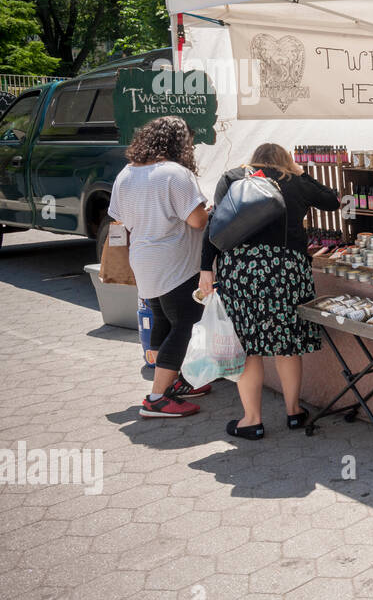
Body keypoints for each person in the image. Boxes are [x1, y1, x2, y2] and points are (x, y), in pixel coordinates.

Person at [199, 143, 341, 439]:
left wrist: (205, 269)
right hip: (286, 270)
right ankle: (293, 413)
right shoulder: (295, 181)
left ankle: (252, 420)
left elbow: (215, 224)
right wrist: (303, 173)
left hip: (241, 270)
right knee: (285, 343)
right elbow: (332, 201)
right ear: (286, 161)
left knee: (248, 347)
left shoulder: (232, 177)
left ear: (253, 159)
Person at [108, 117, 211, 418]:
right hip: (176, 264)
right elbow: (197, 221)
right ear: (179, 144)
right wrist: (207, 209)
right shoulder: (175, 174)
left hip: (144, 261)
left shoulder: (126, 174)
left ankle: (174, 383)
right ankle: (156, 398)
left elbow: (121, 219)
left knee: (164, 321)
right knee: (185, 324)